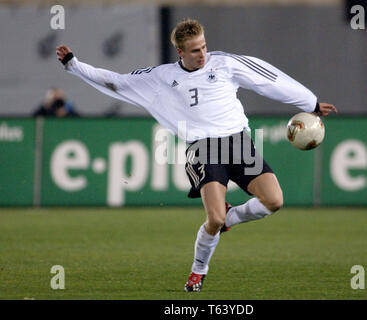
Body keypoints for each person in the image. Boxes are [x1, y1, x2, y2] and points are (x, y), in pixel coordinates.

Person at [56, 18, 337, 292]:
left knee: (274, 201)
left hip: (238, 143)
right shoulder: (161, 77)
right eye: (194, 50)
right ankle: (198, 272)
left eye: (203, 47)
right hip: (203, 149)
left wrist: (309, 101)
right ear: (180, 52)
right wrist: (74, 66)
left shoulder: (224, 63)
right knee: (213, 220)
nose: (202, 54)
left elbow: (267, 78)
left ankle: (232, 218)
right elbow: (116, 82)